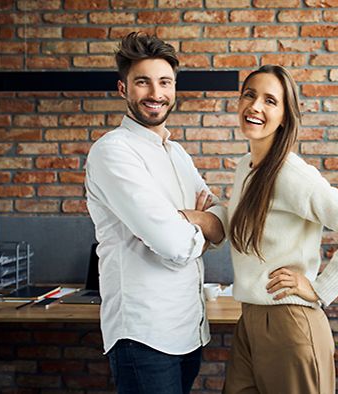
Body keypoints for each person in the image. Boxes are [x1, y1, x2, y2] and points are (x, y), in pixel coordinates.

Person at [185, 65, 338, 393]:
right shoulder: (246, 167)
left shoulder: (291, 173)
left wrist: (320, 289)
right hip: (250, 319)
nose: (255, 106)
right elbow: (243, 221)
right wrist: (202, 217)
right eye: (249, 95)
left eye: (270, 100)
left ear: (285, 116)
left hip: (290, 323)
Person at [84, 32, 224, 394]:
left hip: (190, 330)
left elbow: (222, 220)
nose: (155, 93)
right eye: (142, 82)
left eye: (164, 82)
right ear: (123, 89)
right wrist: (198, 225)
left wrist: (200, 219)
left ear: (175, 88)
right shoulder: (113, 152)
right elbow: (173, 244)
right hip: (143, 335)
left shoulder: (178, 154)